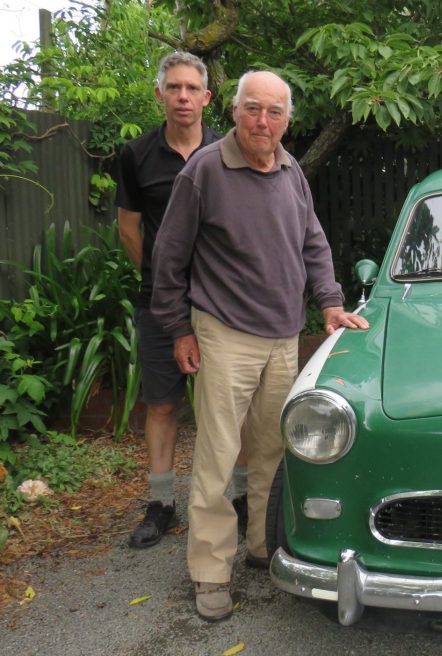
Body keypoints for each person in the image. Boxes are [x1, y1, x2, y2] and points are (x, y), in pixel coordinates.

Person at [151, 69, 369, 622]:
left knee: (272, 451)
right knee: (218, 459)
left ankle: (258, 546)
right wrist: (179, 330)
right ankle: (209, 571)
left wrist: (330, 302)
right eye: (253, 109)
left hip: (282, 336)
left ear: (287, 120)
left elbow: (312, 242)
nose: (263, 121)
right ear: (233, 110)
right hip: (223, 334)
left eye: (274, 112)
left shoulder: (292, 170)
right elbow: (168, 259)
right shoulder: (205, 170)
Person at [117, 51, 251, 549]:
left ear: (208, 98)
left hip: (222, 304)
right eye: (174, 88)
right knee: (162, 404)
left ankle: (238, 497)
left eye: (192, 89)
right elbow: (129, 230)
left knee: (230, 407)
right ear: (160, 95)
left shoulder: (228, 151)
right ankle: (160, 504)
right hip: (160, 304)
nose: (183, 97)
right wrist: (164, 285)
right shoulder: (136, 155)